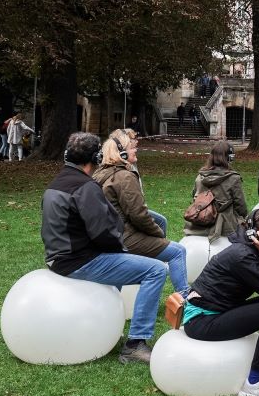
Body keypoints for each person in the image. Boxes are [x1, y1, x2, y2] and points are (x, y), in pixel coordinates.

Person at [41, 132, 167, 364]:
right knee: (156, 270)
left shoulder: (55, 184)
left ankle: (107, 325)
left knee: (120, 261)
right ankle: (135, 344)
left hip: (58, 257)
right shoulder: (85, 187)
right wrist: (120, 248)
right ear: (97, 157)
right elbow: (103, 232)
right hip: (79, 261)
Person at [183, 207, 259, 396]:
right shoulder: (242, 255)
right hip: (201, 321)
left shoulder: (253, 249)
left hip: (218, 311)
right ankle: (254, 382)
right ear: (254, 233)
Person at [92, 129, 189, 298]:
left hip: (108, 237)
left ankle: (110, 306)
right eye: (131, 147)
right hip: (124, 237)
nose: (135, 149)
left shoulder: (100, 174)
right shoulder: (124, 177)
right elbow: (138, 215)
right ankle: (187, 302)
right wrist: (158, 234)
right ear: (121, 153)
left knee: (119, 276)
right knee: (177, 251)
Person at [184, 140, 249, 241]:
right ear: (230, 158)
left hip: (198, 223)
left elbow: (194, 198)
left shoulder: (200, 177)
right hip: (225, 227)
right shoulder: (233, 178)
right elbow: (241, 207)